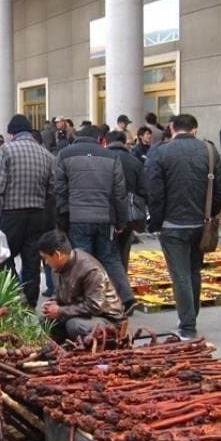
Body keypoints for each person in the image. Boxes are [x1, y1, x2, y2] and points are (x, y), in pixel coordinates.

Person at [145, 113, 221, 339]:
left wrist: (156, 222)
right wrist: (210, 214)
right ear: (195, 129)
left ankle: (188, 326)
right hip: (202, 224)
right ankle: (190, 318)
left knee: (180, 274)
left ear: (171, 128)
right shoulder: (210, 151)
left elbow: (154, 192)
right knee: (193, 271)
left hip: (172, 225)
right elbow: (220, 190)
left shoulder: (160, 152)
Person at [55, 124, 130, 306]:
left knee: (82, 260)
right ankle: (126, 297)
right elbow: (119, 192)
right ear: (100, 139)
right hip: (105, 218)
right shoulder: (111, 156)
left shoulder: (65, 154)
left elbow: (59, 189)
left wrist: (63, 215)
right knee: (110, 259)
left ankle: (83, 299)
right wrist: (121, 221)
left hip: (78, 218)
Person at [0, 114, 55, 307]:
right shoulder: (46, 154)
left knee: (2, 255)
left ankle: (14, 292)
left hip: (13, 214)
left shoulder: (7, 150)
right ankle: (31, 301)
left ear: (12, 132)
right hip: (37, 215)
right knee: (32, 260)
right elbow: (52, 188)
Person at [39, 230, 125, 342]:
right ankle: (64, 348)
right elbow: (58, 292)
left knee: (75, 326)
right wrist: (54, 302)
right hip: (79, 313)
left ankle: (93, 347)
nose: (45, 262)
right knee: (45, 321)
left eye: (46, 258)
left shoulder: (90, 270)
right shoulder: (57, 267)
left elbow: (95, 306)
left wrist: (60, 311)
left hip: (106, 318)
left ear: (58, 255)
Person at [107, 130, 146, 314]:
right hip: (129, 216)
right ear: (124, 142)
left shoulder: (104, 158)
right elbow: (143, 189)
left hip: (108, 215)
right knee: (122, 255)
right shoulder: (135, 161)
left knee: (108, 256)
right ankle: (124, 296)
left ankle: (113, 297)